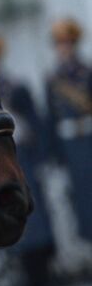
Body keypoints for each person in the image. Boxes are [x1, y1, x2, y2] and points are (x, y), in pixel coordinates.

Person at [47, 17, 92, 246]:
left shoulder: (87, 72)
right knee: (82, 199)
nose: (62, 48)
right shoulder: (53, 79)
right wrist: (55, 154)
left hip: (89, 138)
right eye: (58, 43)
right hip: (70, 145)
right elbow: (51, 118)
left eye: (66, 43)